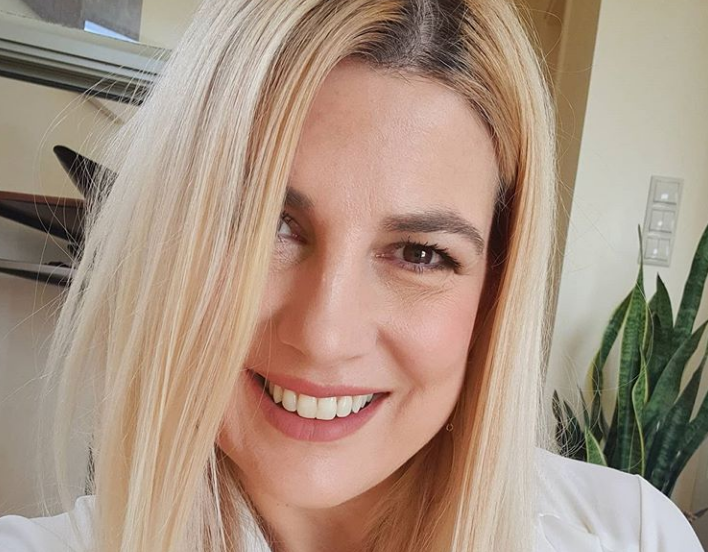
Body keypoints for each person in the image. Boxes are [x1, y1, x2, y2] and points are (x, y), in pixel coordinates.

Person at [0, 0, 704, 551]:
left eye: (420, 253)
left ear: (494, 292)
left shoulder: (630, 537)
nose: (324, 335)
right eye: (264, 223)